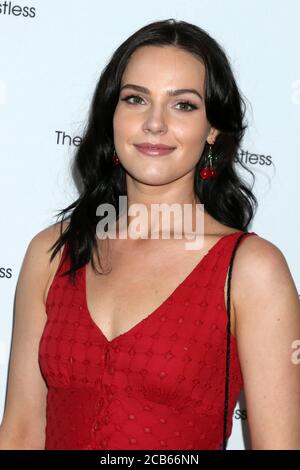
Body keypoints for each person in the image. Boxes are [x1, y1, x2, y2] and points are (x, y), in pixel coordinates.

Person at [0, 18, 299, 451]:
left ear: (213, 129)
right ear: (112, 116)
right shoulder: (53, 252)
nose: (155, 123)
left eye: (183, 105)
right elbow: (20, 434)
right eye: (136, 99)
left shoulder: (251, 269)